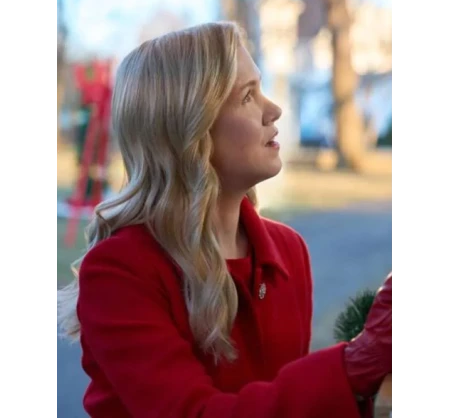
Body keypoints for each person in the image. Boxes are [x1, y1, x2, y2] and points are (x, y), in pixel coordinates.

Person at [57, 22, 391, 418]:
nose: (273, 110)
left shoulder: (287, 252)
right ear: (189, 129)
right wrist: (357, 363)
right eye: (247, 96)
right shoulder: (119, 272)